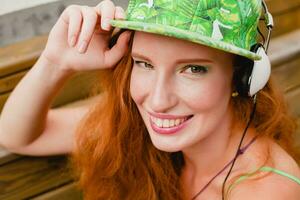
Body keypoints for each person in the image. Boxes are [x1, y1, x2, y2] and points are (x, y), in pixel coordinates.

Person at [0, 0, 299, 199]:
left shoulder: (267, 190)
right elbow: (18, 136)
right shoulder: (134, 127)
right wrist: (57, 61)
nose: (157, 101)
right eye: (144, 63)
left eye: (193, 69)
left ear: (243, 78)